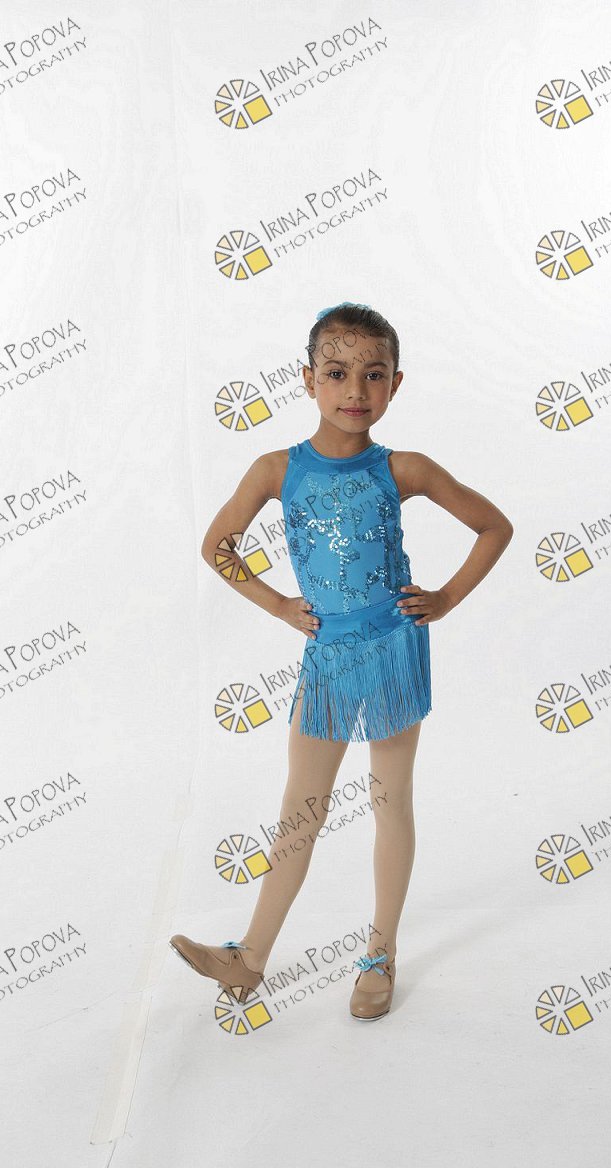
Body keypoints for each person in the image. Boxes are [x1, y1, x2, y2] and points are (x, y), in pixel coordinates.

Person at [170, 301, 514, 1021]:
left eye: (374, 374)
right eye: (336, 373)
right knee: (302, 807)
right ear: (308, 380)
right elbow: (216, 546)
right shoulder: (276, 470)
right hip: (327, 657)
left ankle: (380, 954)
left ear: (395, 384)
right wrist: (278, 605)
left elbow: (493, 526)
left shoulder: (403, 468)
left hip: (392, 649)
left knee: (390, 800)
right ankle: (249, 958)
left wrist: (445, 598)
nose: (355, 389)